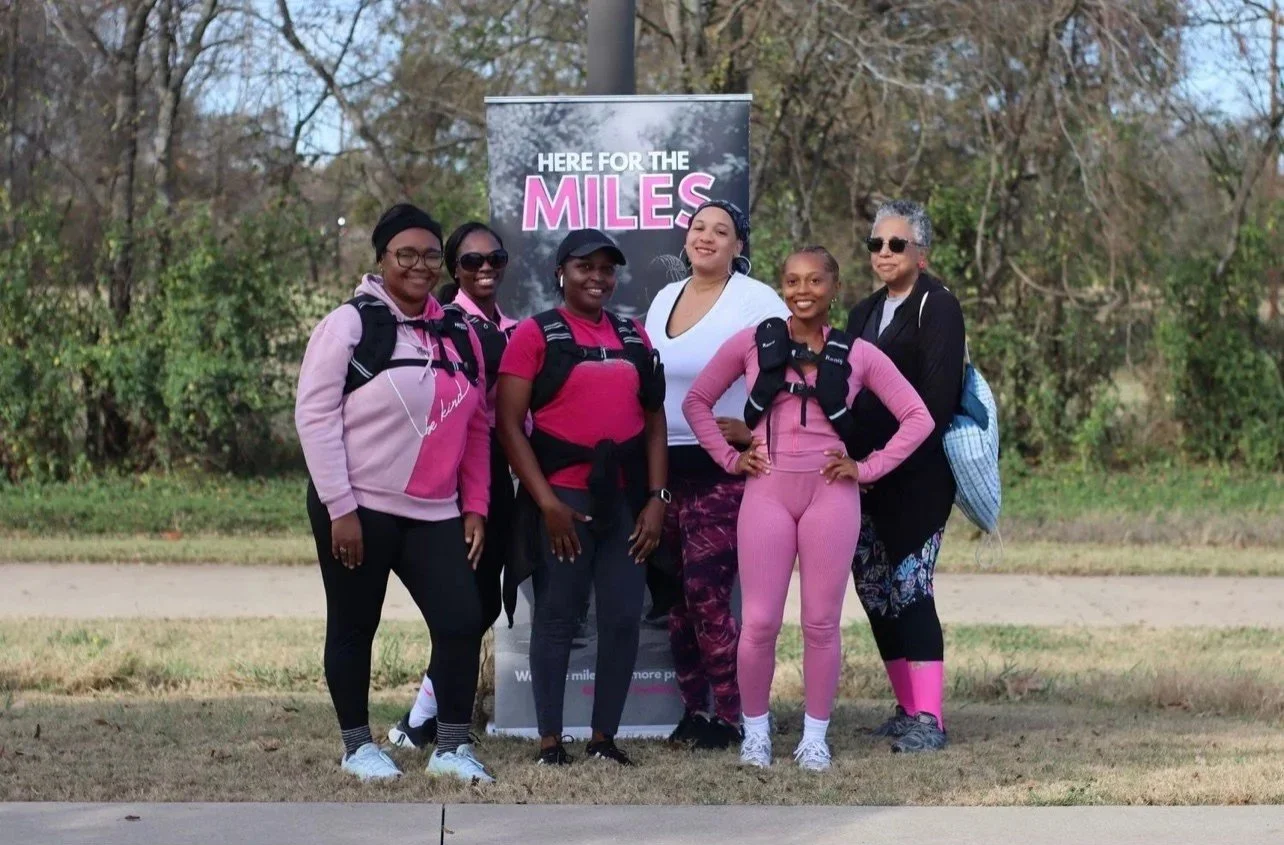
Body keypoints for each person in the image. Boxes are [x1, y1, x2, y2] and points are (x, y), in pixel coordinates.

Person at [683, 246, 932, 771]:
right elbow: (695, 402)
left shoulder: (857, 353)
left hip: (830, 494)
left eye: (815, 281)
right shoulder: (754, 344)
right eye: (793, 281)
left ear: (834, 287)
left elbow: (918, 417)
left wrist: (866, 469)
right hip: (767, 490)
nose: (803, 291)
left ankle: (814, 737)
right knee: (759, 622)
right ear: (782, 287)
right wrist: (730, 460)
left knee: (821, 624)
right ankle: (756, 733)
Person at [295, 203, 495, 784]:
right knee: (356, 623)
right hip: (358, 504)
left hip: (435, 509)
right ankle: (358, 746)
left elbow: (477, 425)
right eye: (405, 254)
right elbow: (315, 416)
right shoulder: (351, 324)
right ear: (381, 259)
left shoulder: (460, 331)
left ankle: (452, 748)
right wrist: (341, 508)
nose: (420, 265)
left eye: (431, 255)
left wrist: (476, 505)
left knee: (463, 618)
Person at [496, 228, 668, 767]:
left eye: (606, 269)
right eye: (584, 267)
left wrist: (658, 498)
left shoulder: (636, 335)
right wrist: (546, 503)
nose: (597, 278)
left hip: (624, 504)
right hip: (564, 501)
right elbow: (507, 425)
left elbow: (655, 420)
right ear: (561, 273)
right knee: (557, 616)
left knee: (620, 618)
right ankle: (550, 742)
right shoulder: (535, 334)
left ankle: (603, 739)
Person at [644, 200, 788, 750]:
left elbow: (785, 371)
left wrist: (752, 428)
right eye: (698, 228)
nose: (706, 238)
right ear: (686, 240)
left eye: (720, 231)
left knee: (707, 593)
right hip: (664, 468)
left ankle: (735, 715)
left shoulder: (757, 301)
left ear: (739, 247)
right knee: (676, 600)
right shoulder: (663, 300)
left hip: (722, 472)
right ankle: (695, 711)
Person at [389, 222, 519, 752]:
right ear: (453, 269)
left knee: (485, 602)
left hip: (505, 472)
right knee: (462, 603)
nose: (485, 269)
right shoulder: (445, 323)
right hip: (461, 471)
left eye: (495, 259)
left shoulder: (514, 328)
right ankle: (423, 718)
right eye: (471, 262)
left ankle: (424, 715)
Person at [845, 200, 967, 753]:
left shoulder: (937, 307)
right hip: (863, 477)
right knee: (873, 590)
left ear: (922, 253)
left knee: (911, 589)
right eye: (877, 244)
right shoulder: (863, 311)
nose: (885, 254)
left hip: (918, 477)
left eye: (897, 244)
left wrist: (884, 463)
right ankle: (906, 707)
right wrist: (857, 466)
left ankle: (931, 719)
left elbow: (936, 403)